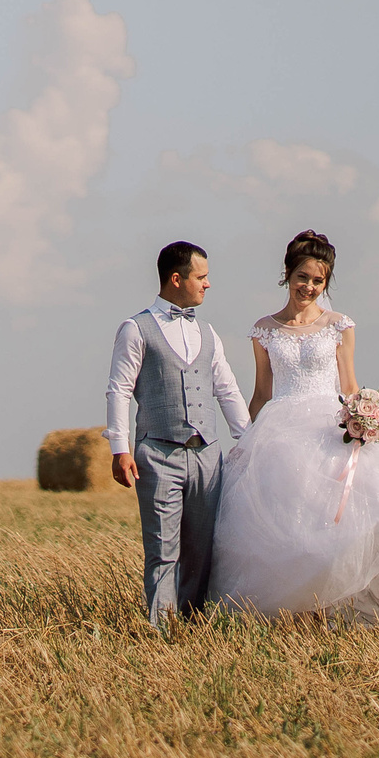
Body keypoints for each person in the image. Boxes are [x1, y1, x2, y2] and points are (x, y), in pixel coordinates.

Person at [207, 230, 379, 624]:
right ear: (287, 274)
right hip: (278, 432)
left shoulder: (339, 325)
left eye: (318, 280)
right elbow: (262, 391)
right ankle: (289, 611)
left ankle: (333, 605)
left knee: (340, 523)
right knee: (283, 525)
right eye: (303, 277)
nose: (310, 287)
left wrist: (364, 420)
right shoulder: (264, 329)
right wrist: (245, 437)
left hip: (329, 425)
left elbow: (350, 385)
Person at [104, 241, 253, 629]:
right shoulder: (134, 329)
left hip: (208, 456)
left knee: (201, 550)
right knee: (162, 551)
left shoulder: (208, 332)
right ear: (176, 279)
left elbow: (226, 389)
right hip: (157, 454)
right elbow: (119, 390)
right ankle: (162, 632)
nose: (208, 285)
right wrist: (120, 450)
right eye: (201, 277)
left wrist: (249, 440)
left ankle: (193, 624)